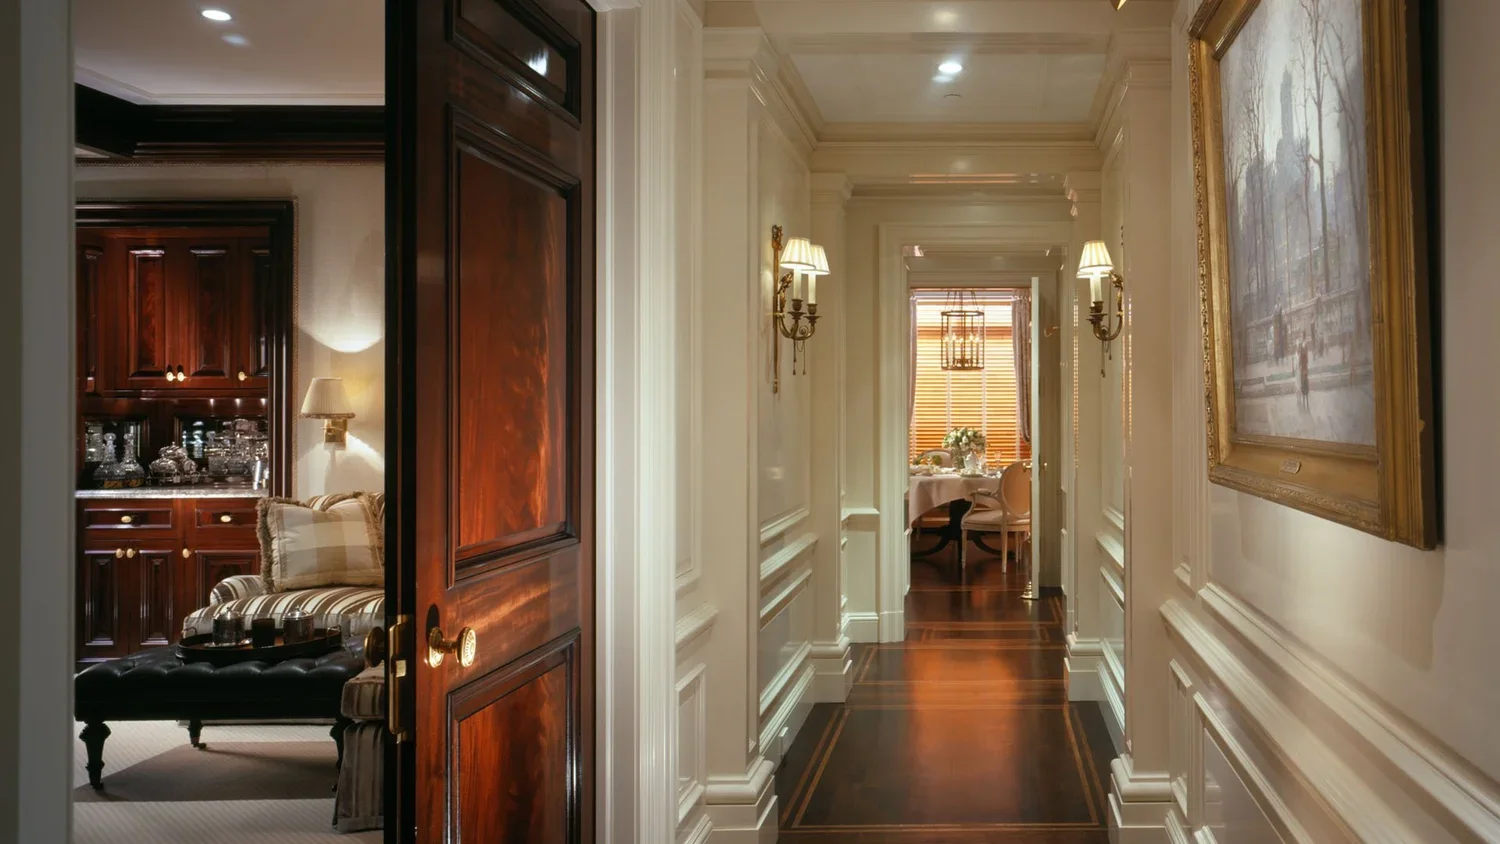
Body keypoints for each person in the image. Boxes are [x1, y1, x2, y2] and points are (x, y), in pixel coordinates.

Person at [1297, 340, 1310, 411]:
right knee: (1305, 385)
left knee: (1303, 384)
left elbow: (1300, 364)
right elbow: (1306, 361)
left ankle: (1305, 400)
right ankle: (1306, 400)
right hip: (1305, 371)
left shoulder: (1301, 355)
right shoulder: (1304, 354)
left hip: (1303, 371)